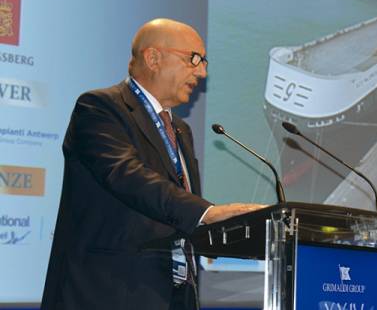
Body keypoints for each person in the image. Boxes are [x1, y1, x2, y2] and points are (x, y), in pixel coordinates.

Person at [41, 18, 263, 310]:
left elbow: (177, 211)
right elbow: (126, 176)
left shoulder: (181, 130)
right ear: (153, 57)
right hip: (106, 292)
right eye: (194, 59)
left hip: (171, 294)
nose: (202, 72)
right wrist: (206, 212)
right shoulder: (100, 108)